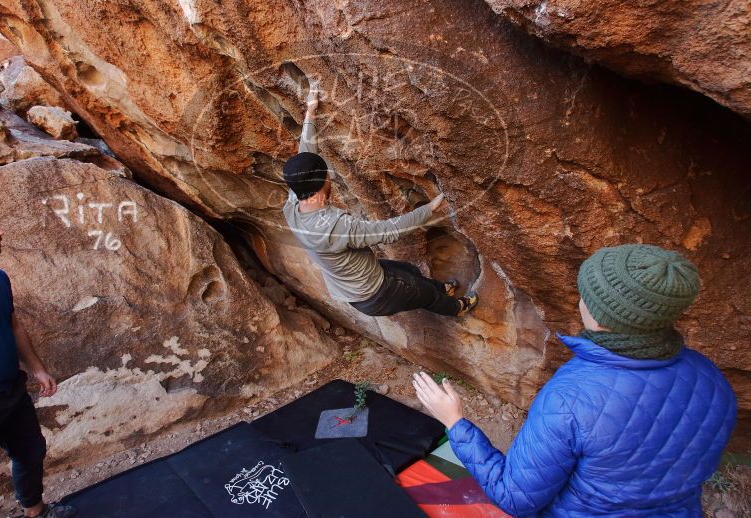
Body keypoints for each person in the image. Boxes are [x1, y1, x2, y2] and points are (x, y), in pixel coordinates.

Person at [413, 243, 737, 516]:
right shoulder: (710, 379)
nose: (581, 301)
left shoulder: (572, 398)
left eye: (587, 296)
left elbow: (514, 497)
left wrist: (455, 422)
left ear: (601, 316)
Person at [282, 85, 478, 317]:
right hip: (375, 293)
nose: (329, 176)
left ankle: (442, 288)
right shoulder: (335, 227)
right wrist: (432, 207)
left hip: (352, 287)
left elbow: (304, 160)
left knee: (407, 270)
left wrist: (310, 114)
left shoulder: (294, 203)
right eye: (326, 174)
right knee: (425, 294)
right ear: (321, 183)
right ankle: (458, 307)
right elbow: (388, 231)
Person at [0, 197, 76, 518]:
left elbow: (12, 324)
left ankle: (36, 512)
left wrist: (37, 368)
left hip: (11, 393)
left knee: (31, 453)